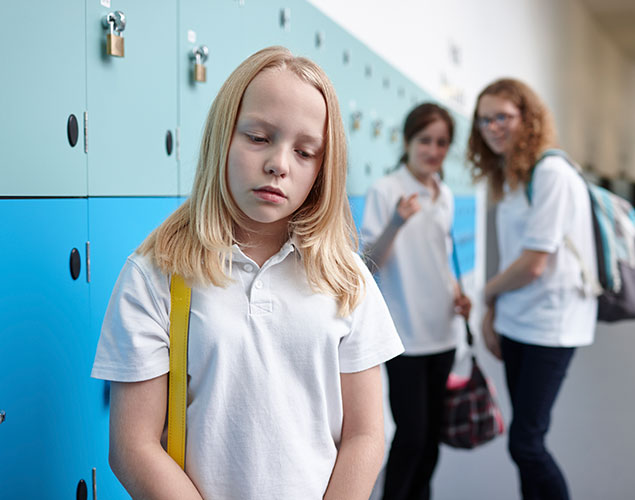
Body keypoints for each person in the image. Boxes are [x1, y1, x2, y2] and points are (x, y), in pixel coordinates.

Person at [91, 46, 404, 500]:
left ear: (322, 168)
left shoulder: (345, 276)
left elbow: (365, 436)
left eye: (305, 151)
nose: (280, 163)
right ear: (223, 136)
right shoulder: (156, 273)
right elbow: (133, 446)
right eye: (258, 137)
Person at [467, 78, 597, 500]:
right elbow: (513, 262)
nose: (492, 127)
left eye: (502, 116)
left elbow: (534, 264)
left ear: (528, 117)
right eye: (485, 119)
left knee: (526, 442)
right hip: (518, 320)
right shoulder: (511, 179)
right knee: (525, 443)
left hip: (551, 324)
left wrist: (486, 295)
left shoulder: (552, 173)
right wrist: (494, 315)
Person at [360, 102, 472, 500]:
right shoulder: (386, 189)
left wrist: (459, 294)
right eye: (425, 140)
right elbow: (369, 264)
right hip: (405, 333)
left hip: (444, 330)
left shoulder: (444, 194)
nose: (434, 150)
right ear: (407, 141)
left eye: (442, 143)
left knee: (431, 439)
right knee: (411, 435)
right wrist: (396, 221)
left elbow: (441, 256)